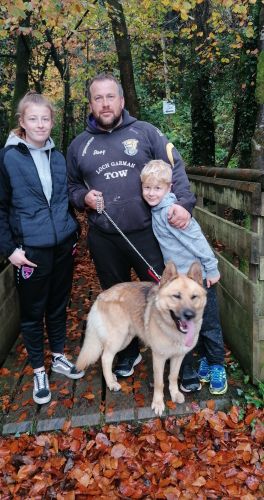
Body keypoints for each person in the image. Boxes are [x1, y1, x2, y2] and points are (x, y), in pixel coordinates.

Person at [67, 72, 196, 378]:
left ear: (121, 100)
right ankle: (128, 352)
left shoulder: (146, 132)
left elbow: (174, 167)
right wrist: (84, 197)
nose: (105, 103)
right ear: (90, 104)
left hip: (147, 233)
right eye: (98, 98)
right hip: (104, 237)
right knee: (119, 298)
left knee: (165, 294)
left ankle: (183, 359)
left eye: (110, 96)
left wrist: (184, 204)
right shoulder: (79, 145)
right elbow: (70, 187)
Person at [0, 92, 84, 405]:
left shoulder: (57, 157)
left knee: (59, 304)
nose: (40, 124)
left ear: (52, 121)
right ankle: (38, 369)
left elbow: (63, 201)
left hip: (62, 247)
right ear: (21, 122)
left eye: (45, 119)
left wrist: (73, 235)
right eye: (33, 118)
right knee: (33, 312)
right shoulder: (8, 158)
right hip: (29, 252)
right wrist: (10, 250)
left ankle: (59, 356)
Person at [140, 159, 228, 395]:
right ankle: (206, 362)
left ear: (169, 188)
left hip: (199, 279)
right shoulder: (156, 210)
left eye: (157, 188)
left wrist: (211, 268)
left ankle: (218, 364)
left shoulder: (171, 212)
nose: (151, 193)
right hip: (180, 280)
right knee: (190, 324)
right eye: (147, 187)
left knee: (208, 323)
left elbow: (197, 239)